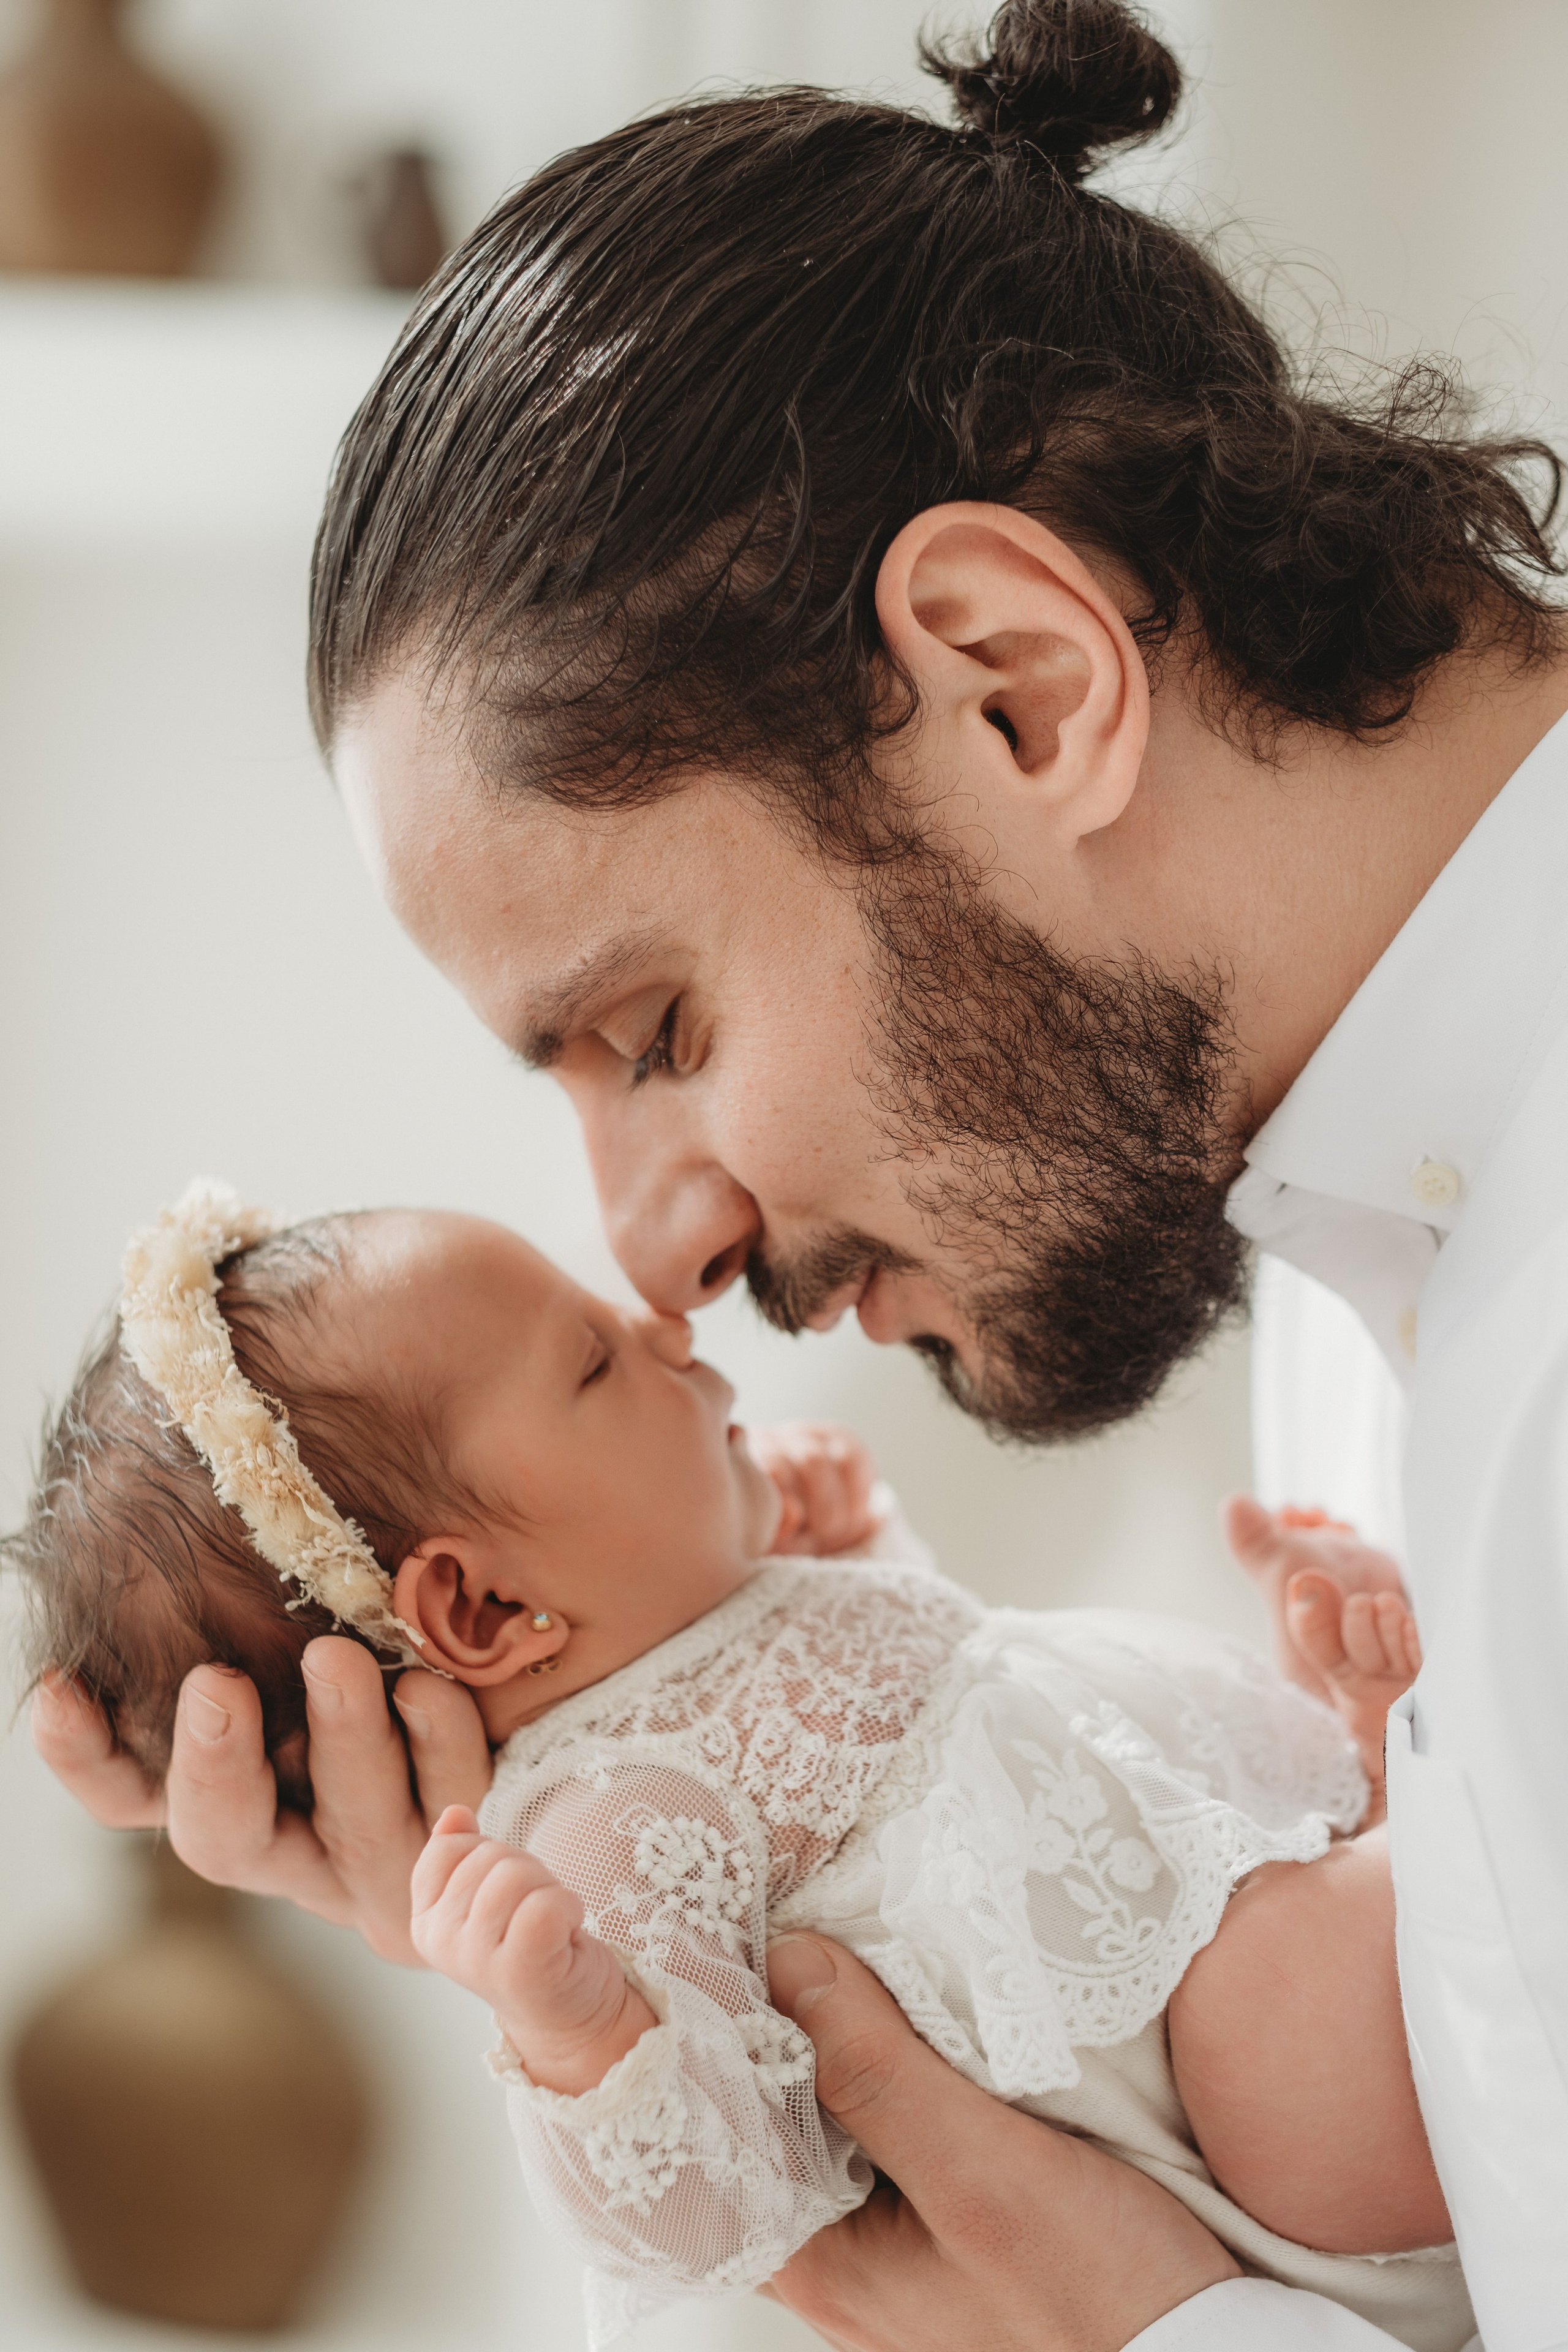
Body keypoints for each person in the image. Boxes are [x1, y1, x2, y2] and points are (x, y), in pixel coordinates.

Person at [36, 1, 1568, 2343]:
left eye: (652, 1031)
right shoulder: (1371, 1296)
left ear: (1020, 683)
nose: (659, 1250)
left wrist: (1116, 2326)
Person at [15, 1183, 1461, 2348]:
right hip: (1248, 2123)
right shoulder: (598, 1827)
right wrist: (580, 2040)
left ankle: (1381, 1784)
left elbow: (922, 1780)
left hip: (1216, 1921)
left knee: (1312, 1908)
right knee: (1295, 1968)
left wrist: (860, 1557)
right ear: (485, 1610)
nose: (656, 1325)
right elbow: (724, 2220)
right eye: (589, 1358)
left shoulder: (715, 1620)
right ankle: (1422, 1805)